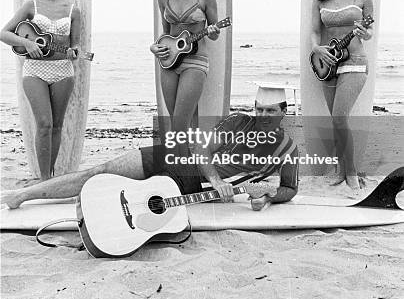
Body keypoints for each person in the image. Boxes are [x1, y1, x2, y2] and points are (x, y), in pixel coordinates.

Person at [2, 85, 298, 211]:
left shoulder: (288, 149)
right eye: (259, 109)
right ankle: (24, 195)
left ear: (284, 112)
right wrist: (217, 180)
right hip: (175, 158)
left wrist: (268, 196)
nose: (262, 116)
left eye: (270, 111)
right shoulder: (238, 121)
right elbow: (200, 149)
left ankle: (60, 198)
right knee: (101, 172)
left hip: (191, 188)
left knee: (118, 195)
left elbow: (290, 189)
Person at [0, 0, 80, 180]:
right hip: (34, 71)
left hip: (63, 71)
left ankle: (51, 176)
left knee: (57, 126)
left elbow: (75, 46)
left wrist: (74, 52)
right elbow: (4, 33)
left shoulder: (73, 11)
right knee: (44, 124)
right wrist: (28, 44)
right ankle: (44, 179)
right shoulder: (31, 6)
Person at [149, 0, 220, 193]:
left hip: (195, 62)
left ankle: (185, 180)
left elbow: (214, 35)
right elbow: (166, 34)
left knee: (180, 124)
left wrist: (213, 31)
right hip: (168, 62)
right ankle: (184, 177)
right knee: (174, 123)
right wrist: (155, 47)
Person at [311, 0, 373, 191]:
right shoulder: (320, 1)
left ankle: (351, 172)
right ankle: (338, 169)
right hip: (329, 64)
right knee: (335, 121)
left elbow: (369, 32)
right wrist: (316, 49)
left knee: (340, 117)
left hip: (355, 61)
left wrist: (363, 32)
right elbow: (315, 31)